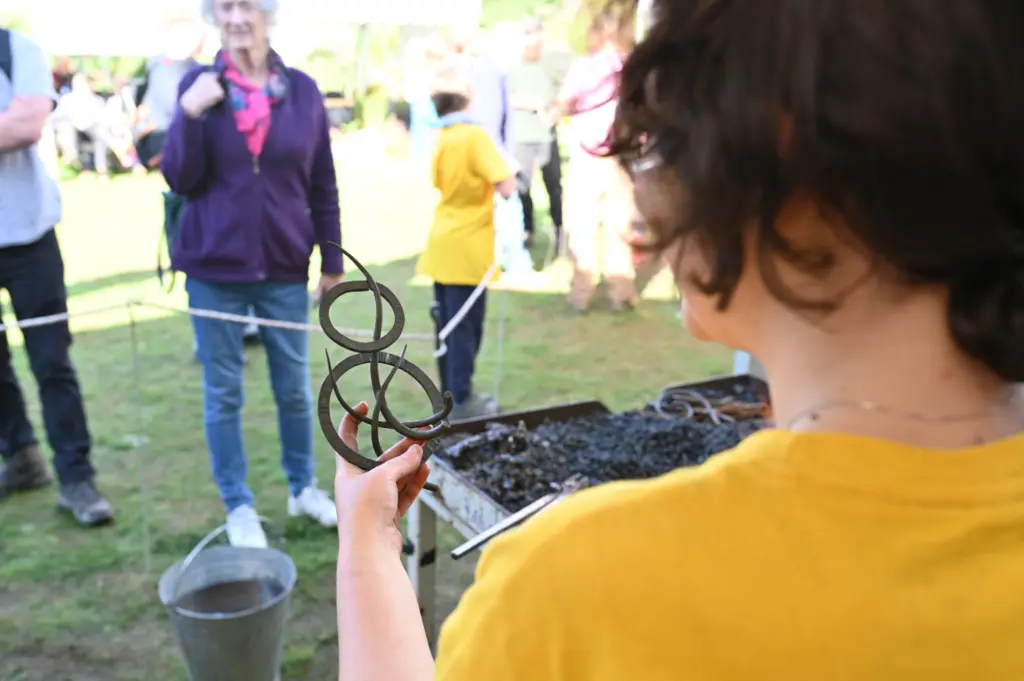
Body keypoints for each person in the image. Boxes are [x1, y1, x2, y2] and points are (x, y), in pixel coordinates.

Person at [331, 1, 1024, 679]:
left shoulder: (578, 587)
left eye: (656, 135)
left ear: (766, 153)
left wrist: (366, 549)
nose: (645, 179)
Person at [160, 0, 343, 549]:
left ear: (267, 14)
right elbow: (179, 177)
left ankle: (302, 487)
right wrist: (189, 115)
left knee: (293, 388)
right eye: (225, 7)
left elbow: (323, 183)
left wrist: (332, 262)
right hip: (214, 267)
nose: (237, 16)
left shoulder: (304, 90)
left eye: (247, 5)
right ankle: (238, 506)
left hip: (285, 265)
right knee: (224, 392)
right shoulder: (197, 83)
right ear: (214, 16)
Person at [0, 27, 113, 526]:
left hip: (28, 237)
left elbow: (25, 124)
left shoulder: (16, 49)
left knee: (52, 362)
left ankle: (76, 477)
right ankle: (21, 457)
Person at [415, 73, 517, 421]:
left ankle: (449, 396)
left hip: (443, 241)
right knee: (464, 327)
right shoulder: (473, 135)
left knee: (446, 325)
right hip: (468, 245)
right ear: (468, 99)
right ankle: (461, 400)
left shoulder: (442, 135)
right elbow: (505, 183)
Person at [556, 14, 637, 313]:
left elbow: (565, 103)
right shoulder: (630, 68)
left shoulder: (584, 66)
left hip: (585, 156)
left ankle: (582, 293)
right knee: (620, 225)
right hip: (620, 156)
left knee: (582, 227)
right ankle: (622, 292)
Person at [508, 18, 566, 251]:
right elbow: (507, 97)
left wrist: (554, 110)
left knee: (553, 185)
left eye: (534, 34)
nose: (531, 39)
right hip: (522, 135)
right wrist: (528, 104)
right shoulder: (513, 65)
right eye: (527, 34)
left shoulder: (551, 62)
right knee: (522, 186)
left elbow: (565, 91)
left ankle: (560, 231)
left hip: (546, 135)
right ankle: (527, 229)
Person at [134, 17, 204, 171]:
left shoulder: (195, 69)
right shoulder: (156, 63)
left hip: (179, 130)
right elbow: (141, 92)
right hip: (159, 131)